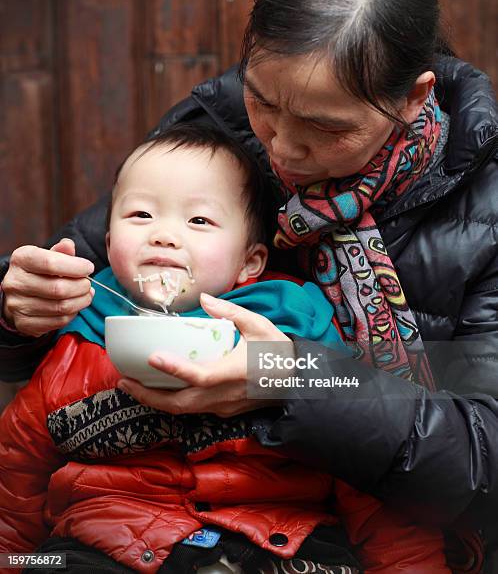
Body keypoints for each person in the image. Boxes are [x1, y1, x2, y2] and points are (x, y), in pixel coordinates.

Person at [0, 0, 497, 569]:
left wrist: (296, 379)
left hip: (323, 533)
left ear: (414, 96)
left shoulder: (485, 209)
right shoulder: (220, 132)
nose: (282, 148)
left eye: (325, 126)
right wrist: (16, 308)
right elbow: (79, 303)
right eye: (263, 101)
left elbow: (484, 452)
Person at [0, 123, 451, 574]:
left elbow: (360, 459)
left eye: (199, 221)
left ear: (249, 262)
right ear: (110, 241)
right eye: (140, 215)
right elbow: (16, 472)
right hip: (105, 540)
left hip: (278, 540)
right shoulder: (77, 336)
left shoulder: (295, 330)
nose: (164, 235)